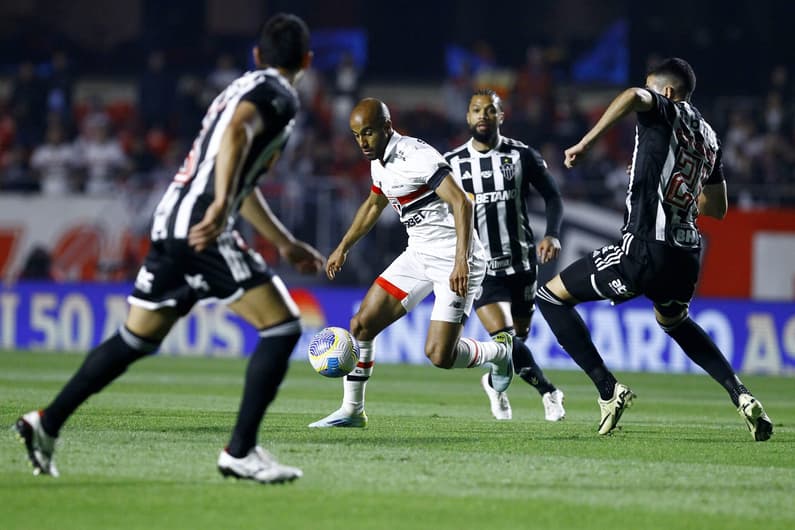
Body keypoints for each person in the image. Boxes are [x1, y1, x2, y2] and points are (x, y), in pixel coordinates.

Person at [13, 13, 325, 483]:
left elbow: (240, 173)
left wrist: (284, 241)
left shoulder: (239, 86)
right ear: (307, 59)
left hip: (173, 221)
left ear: (257, 55)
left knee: (136, 339)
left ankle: (46, 422)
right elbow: (239, 134)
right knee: (281, 326)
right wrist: (221, 205)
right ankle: (240, 451)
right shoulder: (278, 95)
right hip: (203, 227)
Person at [535, 57, 773, 441]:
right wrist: (667, 181)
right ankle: (740, 394)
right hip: (686, 254)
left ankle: (608, 390)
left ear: (665, 92)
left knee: (549, 296)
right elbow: (718, 209)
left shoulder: (665, 108)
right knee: (674, 321)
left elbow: (631, 95)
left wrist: (585, 142)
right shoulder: (710, 136)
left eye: (650, 88)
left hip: (645, 247)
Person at [309, 98, 514, 428]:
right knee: (361, 324)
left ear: (387, 128)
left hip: (455, 258)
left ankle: (501, 354)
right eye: (356, 135)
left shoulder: (417, 156)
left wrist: (461, 261)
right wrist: (343, 246)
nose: (362, 142)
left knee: (439, 355)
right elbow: (374, 205)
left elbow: (462, 203)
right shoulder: (379, 160)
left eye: (369, 133)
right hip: (418, 254)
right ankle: (352, 410)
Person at [445, 89, 566, 421]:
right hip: (481, 270)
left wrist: (552, 234)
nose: (482, 115)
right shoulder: (451, 164)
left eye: (489, 110)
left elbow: (553, 197)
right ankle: (550, 392)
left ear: (501, 116)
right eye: (475, 110)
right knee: (505, 338)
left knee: (515, 342)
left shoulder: (522, 155)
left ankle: (495, 386)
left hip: (523, 264)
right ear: (467, 117)